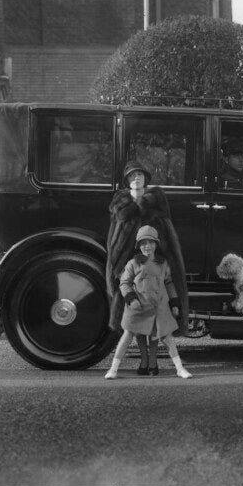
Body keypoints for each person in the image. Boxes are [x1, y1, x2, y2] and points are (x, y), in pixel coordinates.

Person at [105, 159, 189, 375]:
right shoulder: (120, 206)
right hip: (130, 269)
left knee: (155, 324)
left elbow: (168, 238)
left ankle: (152, 363)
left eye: (139, 175)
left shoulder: (157, 204)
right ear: (127, 181)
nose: (136, 179)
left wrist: (162, 264)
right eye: (132, 176)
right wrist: (115, 268)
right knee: (134, 325)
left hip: (153, 270)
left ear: (146, 179)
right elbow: (113, 240)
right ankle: (129, 365)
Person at [105, 226, 192, 379]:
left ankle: (179, 368)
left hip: (159, 307)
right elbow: (124, 283)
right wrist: (131, 299)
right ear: (138, 246)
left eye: (150, 242)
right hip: (137, 307)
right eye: (143, 243)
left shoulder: (162, 263)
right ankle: (113, 369)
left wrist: (174, 303)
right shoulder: (133, 263)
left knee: (165, 337)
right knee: (128, 335)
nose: (147, 246)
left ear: (156, 244)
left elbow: (169, 282)